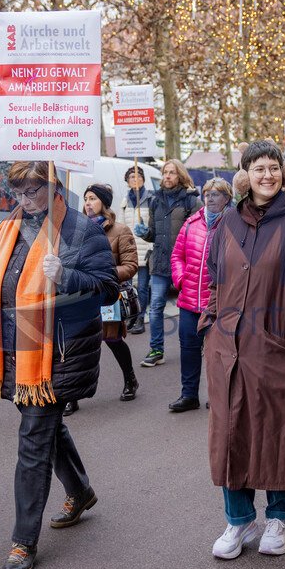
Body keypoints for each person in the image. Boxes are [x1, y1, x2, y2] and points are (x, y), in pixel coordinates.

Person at [0, 161, 117, 569]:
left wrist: (67, 274)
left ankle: (23, 542)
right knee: (46, 428)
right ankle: (80, 490)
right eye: (17, 190)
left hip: (56, 354)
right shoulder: (9, 227)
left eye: (33, 190)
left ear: (53, 186)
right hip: (17, 352)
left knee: (33, 442)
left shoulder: (81, 228)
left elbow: (108, 286)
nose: (24, 198)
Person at [201, 140, 285, 560]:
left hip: (279, 347)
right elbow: (214, 279)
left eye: (273, 167)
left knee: (280, 434)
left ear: (283, 172)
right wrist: (211, 323)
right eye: (258, 168)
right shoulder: (228, 223)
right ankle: (239, 521)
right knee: (231, 436)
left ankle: (279, 519)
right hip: (229, 350)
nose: (267, 175)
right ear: (246, 174)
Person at [168, 177, 234, 412]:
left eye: (216, 194)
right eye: (207, 194)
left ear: (227, 198)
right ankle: (189, 395)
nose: (211, 198)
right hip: (188, 302)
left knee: (217, 352)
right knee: (188, 349)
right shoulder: (191, 223)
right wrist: (181, 279)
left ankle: (218, 394)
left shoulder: (233, 225)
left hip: (217, 303)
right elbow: (177, 256)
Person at [73, 184, 139, 414]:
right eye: (86, 198)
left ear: (104, 202)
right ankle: (72, 395)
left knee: (112, 340)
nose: (88, 203)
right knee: (77, 345)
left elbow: (131, 266)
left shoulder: (120, 230)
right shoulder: (75, 229)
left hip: (107, 295)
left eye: (93, 198)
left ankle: (130, 379)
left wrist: (105, 275)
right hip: (81, 297)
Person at [135, 159, 202, 367]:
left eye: (172, 173)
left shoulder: (192, 202)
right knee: (155, 307)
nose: (167, 176)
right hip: (160, 262)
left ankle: (193, 345)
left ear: (180, 175)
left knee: (190, 308)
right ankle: (156, 350)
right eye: (165, 173)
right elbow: (154, 234)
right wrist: (146, 234)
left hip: (185, 264)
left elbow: (199, 233)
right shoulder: (155, 200)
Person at [120, 165, 154, 332]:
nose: (135, 179)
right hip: (130, 251)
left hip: (145, 249)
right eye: (132, 177)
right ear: (127, 181)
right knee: (129, 287)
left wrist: (150, 245)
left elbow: (153, 225)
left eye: (138, 176)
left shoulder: (151, 199)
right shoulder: (125, 201)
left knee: (142, 287)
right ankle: (132, 317)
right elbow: (122, 227)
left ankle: (141, 319)